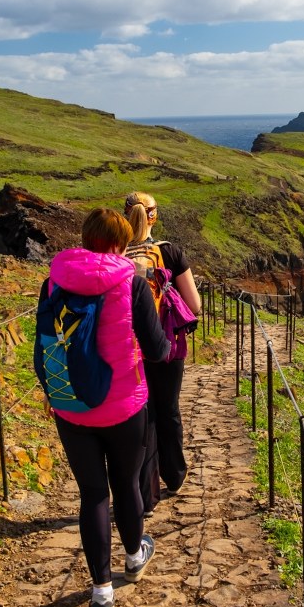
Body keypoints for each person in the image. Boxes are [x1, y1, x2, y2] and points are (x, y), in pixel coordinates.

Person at [43, 207, 170, 607]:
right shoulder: (131, 282)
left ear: (85, 237)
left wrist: (53, 391)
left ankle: (101, 592)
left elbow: (46, 342)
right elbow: (156, 349)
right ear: (120, 242)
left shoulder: (54, 281)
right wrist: (167, 349)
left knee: (93, 494)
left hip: (72, 405)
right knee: (126, 482)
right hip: (123, 405)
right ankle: (134, 557)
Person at [123, 192, 203, 517]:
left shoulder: (115, 256)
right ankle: (175, 475)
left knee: (145, 414)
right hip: (168, 346)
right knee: (168, 408)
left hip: (130, 349)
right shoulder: (169, 251)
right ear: (154, 216)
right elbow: (194, 305)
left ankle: (146, 488)